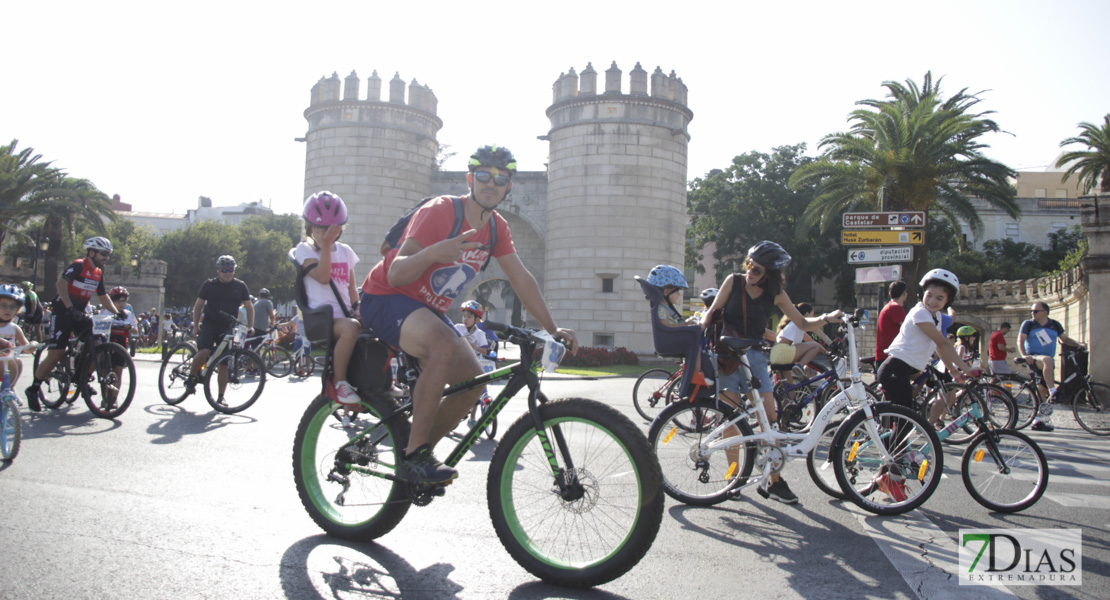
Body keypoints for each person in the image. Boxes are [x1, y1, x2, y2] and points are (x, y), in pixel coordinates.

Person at [360, 144, 578, 484]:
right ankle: (416, 454)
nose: (490, 184)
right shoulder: (442, 210)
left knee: (472, 385)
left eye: (500, 178)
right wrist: (436, 251)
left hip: (424, 310)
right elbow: (396, 273)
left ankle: (413, 460)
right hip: (385, 297)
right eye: (483, 176)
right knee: (445, 346)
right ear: (469, 179)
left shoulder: (496, 229)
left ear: (509, 186)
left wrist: (551, 328)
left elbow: (521, 278)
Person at [701, 241, 842, 504]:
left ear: (770, 274)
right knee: (731, 420)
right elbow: (711, 313)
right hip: (726, 356)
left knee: (770, 419)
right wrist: (698, 330)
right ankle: (734, 480)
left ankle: (774, 483)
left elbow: (801, 322)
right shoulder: (733, 281)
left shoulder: (775, 293)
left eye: (758, 270)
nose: (752, 272)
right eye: (751, 266)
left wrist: (826, 319)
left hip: (754, 355)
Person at [25, 237, 122, 412]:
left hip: (80, 311)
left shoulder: (98, 272)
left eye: (108, 254)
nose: (107, 257)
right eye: (104, 254)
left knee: (97, 346)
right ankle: (33, 389)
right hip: (63, 310)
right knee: (56, 353)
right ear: (91, 252)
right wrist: (70, 307)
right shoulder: (78, 265)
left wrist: (118, 312)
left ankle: (82, 379)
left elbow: (102, 296)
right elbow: (61, 284)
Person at [877, 269, 976, 429]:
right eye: (929, 295)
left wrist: (953, 371)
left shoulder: (934, 316)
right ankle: (893, 453)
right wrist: (967, 368)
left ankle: (891, 449)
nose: (932, 301)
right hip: (895, 369)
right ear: (922, 294)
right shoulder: (920, 313)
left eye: (939, 298)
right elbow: (943, 343)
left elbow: (939, 346)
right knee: (906, 422)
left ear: (947, 301)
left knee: (898, 422)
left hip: (906, 369)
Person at [294, 191, 362, 407]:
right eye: (319, 228)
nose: (324, 233)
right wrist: (324, 246)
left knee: (379, 322)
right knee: (351, 328)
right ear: (309, 227)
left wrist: (357, 307)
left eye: (330, 229)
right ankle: (340, 381)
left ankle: (382, 380)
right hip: (321, 318)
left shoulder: (345, 251)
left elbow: (351, 287)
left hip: (345, 316)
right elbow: (323, 278)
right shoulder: (304, 250)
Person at [183, 255, 255, 404]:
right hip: (210, 323)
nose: (227, 273)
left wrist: (250, 326)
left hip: (228, 326)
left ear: (234, 270)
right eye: (224, 270)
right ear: (218, 271)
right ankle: (191, 378)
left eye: (231, 269)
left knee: (224, 362)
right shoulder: (209, 285)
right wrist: (196, 326)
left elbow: (249, 307)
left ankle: (221, 397)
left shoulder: (240, 286)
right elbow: (198, 305)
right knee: (204, 351)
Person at [1018, 301, 1087, 432]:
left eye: (1035, 311)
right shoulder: (1028, 324)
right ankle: (1053, 391)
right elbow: (1020, 340)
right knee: (1048, 361)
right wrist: (1024, 355)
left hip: (1047, 363)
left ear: (1045, 312)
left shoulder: (1054, 325)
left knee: (1042, 390)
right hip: (1034, 358)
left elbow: (1065, 339)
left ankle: (1038, 420)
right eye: (1031, 311)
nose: (1032, 313)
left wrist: (1079, 345)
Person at [773, 302, 830, 394]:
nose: (812, 316)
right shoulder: (800, 324)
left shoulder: (794, 324)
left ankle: (785, 406)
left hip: (776, 356)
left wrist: (825, 351)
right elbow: (814, 342)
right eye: (812, 314)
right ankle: (799, 366)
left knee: (789, 393)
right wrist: (828, 353)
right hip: (783, 353)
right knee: (814, 346)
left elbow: (809, 340)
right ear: (807, 314)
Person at [455, 300, 496, 428]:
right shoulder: (458, 328)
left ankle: (472, 418)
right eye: (464, 316)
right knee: (458, 391)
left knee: (478, 391)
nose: (465, 319)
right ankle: (454, 414)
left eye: (469, 316)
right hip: (460, 365)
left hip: (476, 365)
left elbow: (486, 350)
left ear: (477, 319)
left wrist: (474, 346)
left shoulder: (480, 334)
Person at [0, 284, 35, 386]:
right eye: (3, 305)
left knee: (17, 362)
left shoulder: (15, 328)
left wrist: (32, 345)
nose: (8, 309)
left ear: (17, 310)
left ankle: (8, 391)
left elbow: (26, 348)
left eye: (12, 307)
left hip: (5, 364)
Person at [875, 281, 908, 364]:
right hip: (890, 356)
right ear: (904, 293)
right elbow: (908, 330)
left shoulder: (889, 306)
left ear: (890, 294)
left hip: (885, 355)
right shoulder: (896, 307)